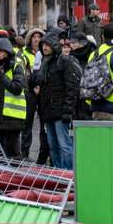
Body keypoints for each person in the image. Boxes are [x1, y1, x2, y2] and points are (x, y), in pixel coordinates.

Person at [33, 30, 81, 170]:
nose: (44, 47)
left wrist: (68, 111)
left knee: (64, 145)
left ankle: (69, 175)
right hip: (48, 112)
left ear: (54, 45)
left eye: (47, 45)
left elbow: (72, 88)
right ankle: (58, 175)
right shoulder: (45, 63)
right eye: (43, 45)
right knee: (53, 146)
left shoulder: (63, 62)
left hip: (60, 112)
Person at [19, 28, 48, 164]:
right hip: (29, 92)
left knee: (43, 125)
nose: (37, 39)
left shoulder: (46, 54)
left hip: (43, 92)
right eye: (34, 37)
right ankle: (24, 153)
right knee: (27, 124)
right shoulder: (23, 53)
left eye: (39, 37)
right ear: (30, 39)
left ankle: (43, 156)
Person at [0, 36, 26, 158]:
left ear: (7, 52)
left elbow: (17, 88)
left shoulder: (16, 65)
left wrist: (2, 76)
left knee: (12, 152)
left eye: (1, 51)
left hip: (14, 115)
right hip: (0, 114)